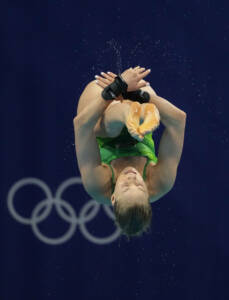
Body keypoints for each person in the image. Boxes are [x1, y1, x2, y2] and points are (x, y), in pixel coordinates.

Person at [73, 66, 186, 238]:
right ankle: (132, 111)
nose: (132, 178)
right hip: (141, 110)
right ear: (148, 194)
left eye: (126, 186)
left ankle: (127, 113)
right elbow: (178, 121)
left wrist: (115, 89)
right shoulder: (161, 181)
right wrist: (139, 95)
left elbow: (81, 125)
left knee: (109, 128)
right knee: (145, 125)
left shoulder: (97, 185)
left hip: (102, 117)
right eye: (140, 186)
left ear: (113, 198)